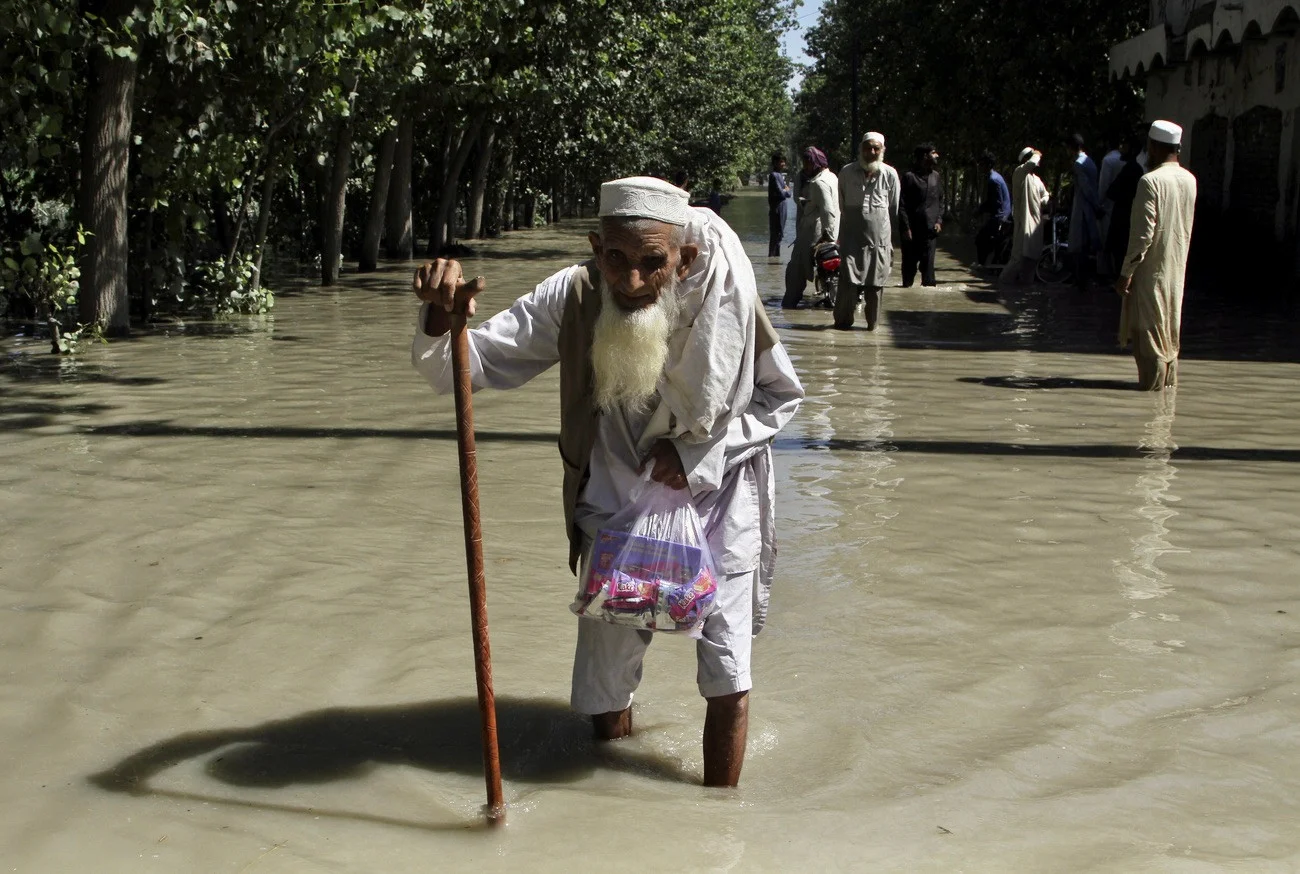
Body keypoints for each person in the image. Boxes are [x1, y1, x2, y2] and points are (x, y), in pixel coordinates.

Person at [410, 176, 805, 787]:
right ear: (596, 248)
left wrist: (695, 452)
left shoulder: (728, 298)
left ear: (684, 259)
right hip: (613, 510)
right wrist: (443, 319)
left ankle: (721, 817)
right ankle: (607, 789)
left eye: (653, 262)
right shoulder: (572, 297)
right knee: (604, 681)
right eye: (616, 258)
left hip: (719, 504)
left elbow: (780, 398)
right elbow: (462, 368)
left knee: (727, 675)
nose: (633, 281)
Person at [1115, 121, 1197, 391]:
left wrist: (1125, 274)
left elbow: (1142, 236)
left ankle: (1151, 403)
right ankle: (1165, 404)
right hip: (1176, 274)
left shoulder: (1150, 182)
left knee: (1149, 341)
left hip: (1150, 274)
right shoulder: (1190, 180)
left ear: (1154, 147)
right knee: (1170, 339)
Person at [834, 131, 900, 330]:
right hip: (852, 238)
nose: (871, 152)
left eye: (875, 148)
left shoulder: (890, 174)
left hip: (879, 241)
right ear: (861, 149)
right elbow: (841, 206)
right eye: (867, 148)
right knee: (847, 282)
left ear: (882, 150)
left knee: (876, 284)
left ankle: (873, 328)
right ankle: (842, 326)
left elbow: (893, 208)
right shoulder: (846, 173)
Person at [783, 147, 840, 308]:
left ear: (817, 162)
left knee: (795, 271)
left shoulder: (818, 183)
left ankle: (788, 306)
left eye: (809, 162)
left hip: (814, 234)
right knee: (828, 276)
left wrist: (827, 237)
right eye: (805, 162)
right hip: (828, 233)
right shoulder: (832, 177)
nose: (806, 166)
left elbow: (828, 211)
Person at [1000, 147, 1051, 287]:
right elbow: (1031, 163)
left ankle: (1026, 284)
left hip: (1036, 222)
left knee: (1033, 256)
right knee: (1018, 256)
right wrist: (1037, 154)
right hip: (1023, 220)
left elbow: (1045, 194)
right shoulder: (1019, 173)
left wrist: (1043, 200)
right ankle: (1003, 282)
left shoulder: (1037, 180)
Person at [899, 143, 944, 287]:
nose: (937, 155)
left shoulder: (936, 177)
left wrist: (939, 221)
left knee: (929, 276)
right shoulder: (909, 177)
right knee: (908, 276)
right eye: (933, 153)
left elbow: (941, 201)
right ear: (925, 156)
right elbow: (902, 205)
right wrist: (906, 228)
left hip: (930, 232)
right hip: (912, 233)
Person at [1103, 134, 1145, 280]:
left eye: (1125, 146)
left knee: (1120, 254)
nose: (1121, 149)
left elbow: (1112, 191)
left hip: (1124, 219)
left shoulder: (1131, 168)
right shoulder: (1133, 168)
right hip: (1125, 217)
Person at [1063, 133, 1101, 289]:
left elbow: (1086, 189)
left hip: (1083, 209)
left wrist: (1095, 205)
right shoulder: (1089, 161)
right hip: (1089, 208)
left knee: (1080, 247)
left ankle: (1081, 280)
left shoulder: (1079, 164)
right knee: (1085, 246)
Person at [974, 150, 1012, 266]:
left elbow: (996, 203)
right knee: (993, 242)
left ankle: (982, 265)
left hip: (1000, 217)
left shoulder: (993, 180)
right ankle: (993, 265)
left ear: (989, 164)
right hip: (1003, 215)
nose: (980, 167)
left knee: (980, 240)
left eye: (982, 164)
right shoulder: (996, 177)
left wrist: (980, 211)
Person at [1097, 134, 1125, 277]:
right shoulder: (1123, 159)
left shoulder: (1108, 160)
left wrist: (1098, 204)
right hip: (1122, 207)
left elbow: (1104, 185)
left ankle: (1105, 273)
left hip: (1107, 207)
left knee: (1105, 241)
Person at [767, 152, 793, 258]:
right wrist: (786, 190)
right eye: (781, 162)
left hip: (782, 207)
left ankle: (775, 260)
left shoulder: (780, 176)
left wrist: (786, 190)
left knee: (779, 235)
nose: (783, 164)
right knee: (776, 235)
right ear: (775, 163)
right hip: (777, 208)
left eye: (784, 162)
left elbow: (789, 193)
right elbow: (782, 192)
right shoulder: (774, 175)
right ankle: (772, 258)